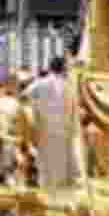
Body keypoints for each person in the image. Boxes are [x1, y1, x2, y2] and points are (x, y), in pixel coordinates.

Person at [23, 57, 76, 189]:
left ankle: (46, 187)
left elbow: (24, 96)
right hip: (63, 128)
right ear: (63, 68)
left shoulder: (41, 83)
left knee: (46, 161)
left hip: (44, 127)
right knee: (61, 160)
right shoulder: (68, 85)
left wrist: (37, 107)